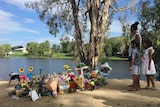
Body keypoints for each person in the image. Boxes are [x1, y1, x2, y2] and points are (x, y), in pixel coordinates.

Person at [128, 22, 142, 88]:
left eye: (131, 29)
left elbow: (138, 43)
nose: (130, 30)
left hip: (135, 54)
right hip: (134, 53)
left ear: (133, 29)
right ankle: (136, 84)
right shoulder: (135, 35)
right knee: (136, 71)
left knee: (135, 71)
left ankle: (135, 85)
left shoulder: (137, 35)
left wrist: (138, 53)